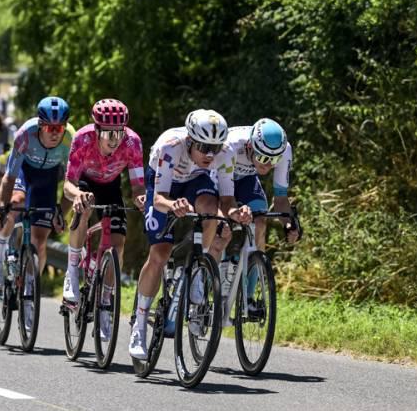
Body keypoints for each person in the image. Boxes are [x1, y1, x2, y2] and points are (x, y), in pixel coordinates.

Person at [128, 109, 251, 360]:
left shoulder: (224, 153)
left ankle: (198, 271)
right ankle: (139, 324)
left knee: (210, 209)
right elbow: (160, 198)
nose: (210, 154)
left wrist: (237, 213)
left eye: (215, 148)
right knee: (159, 254)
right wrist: (173, 205)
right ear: (190, 141)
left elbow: (227, 201)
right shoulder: (170, 147)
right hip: (164, 186)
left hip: (196, 180)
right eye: (204, 147)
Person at [62, 98, 146, 341]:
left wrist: (141, 199)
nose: (114, 139)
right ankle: (72, 273)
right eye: (109, 133)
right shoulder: (83, 138)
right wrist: (77, 195)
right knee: (83, 210)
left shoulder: (132, 142)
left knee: (118, 245)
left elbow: (138, 187)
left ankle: (106, 301)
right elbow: (68, 184)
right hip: (85, 183)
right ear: (97, 130)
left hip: (111, 186)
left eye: (119, 132)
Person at [0, 96, 74, 302]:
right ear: (40, 125)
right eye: (50, 128)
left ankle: (30, 284)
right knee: (16, 201)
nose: (55, 133)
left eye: (60, 128)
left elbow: (72, 183)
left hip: (48, 178)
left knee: (40, 240)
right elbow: (9, 178)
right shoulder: (26, 134)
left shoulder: (70, 139)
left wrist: (61, 213)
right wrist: (2, 210)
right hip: (24, 173)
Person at [225, 118, 301, 248]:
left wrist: (288, 224)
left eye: (274, 160)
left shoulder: (284, 151)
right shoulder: (231, 145)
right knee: (221, 227)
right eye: (263, 158)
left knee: (260, 223)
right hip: (218, 177)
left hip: (246, 179)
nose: (268, 165)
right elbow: (225, 198)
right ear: (250, 147)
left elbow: (281, 199)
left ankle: (256, 260)